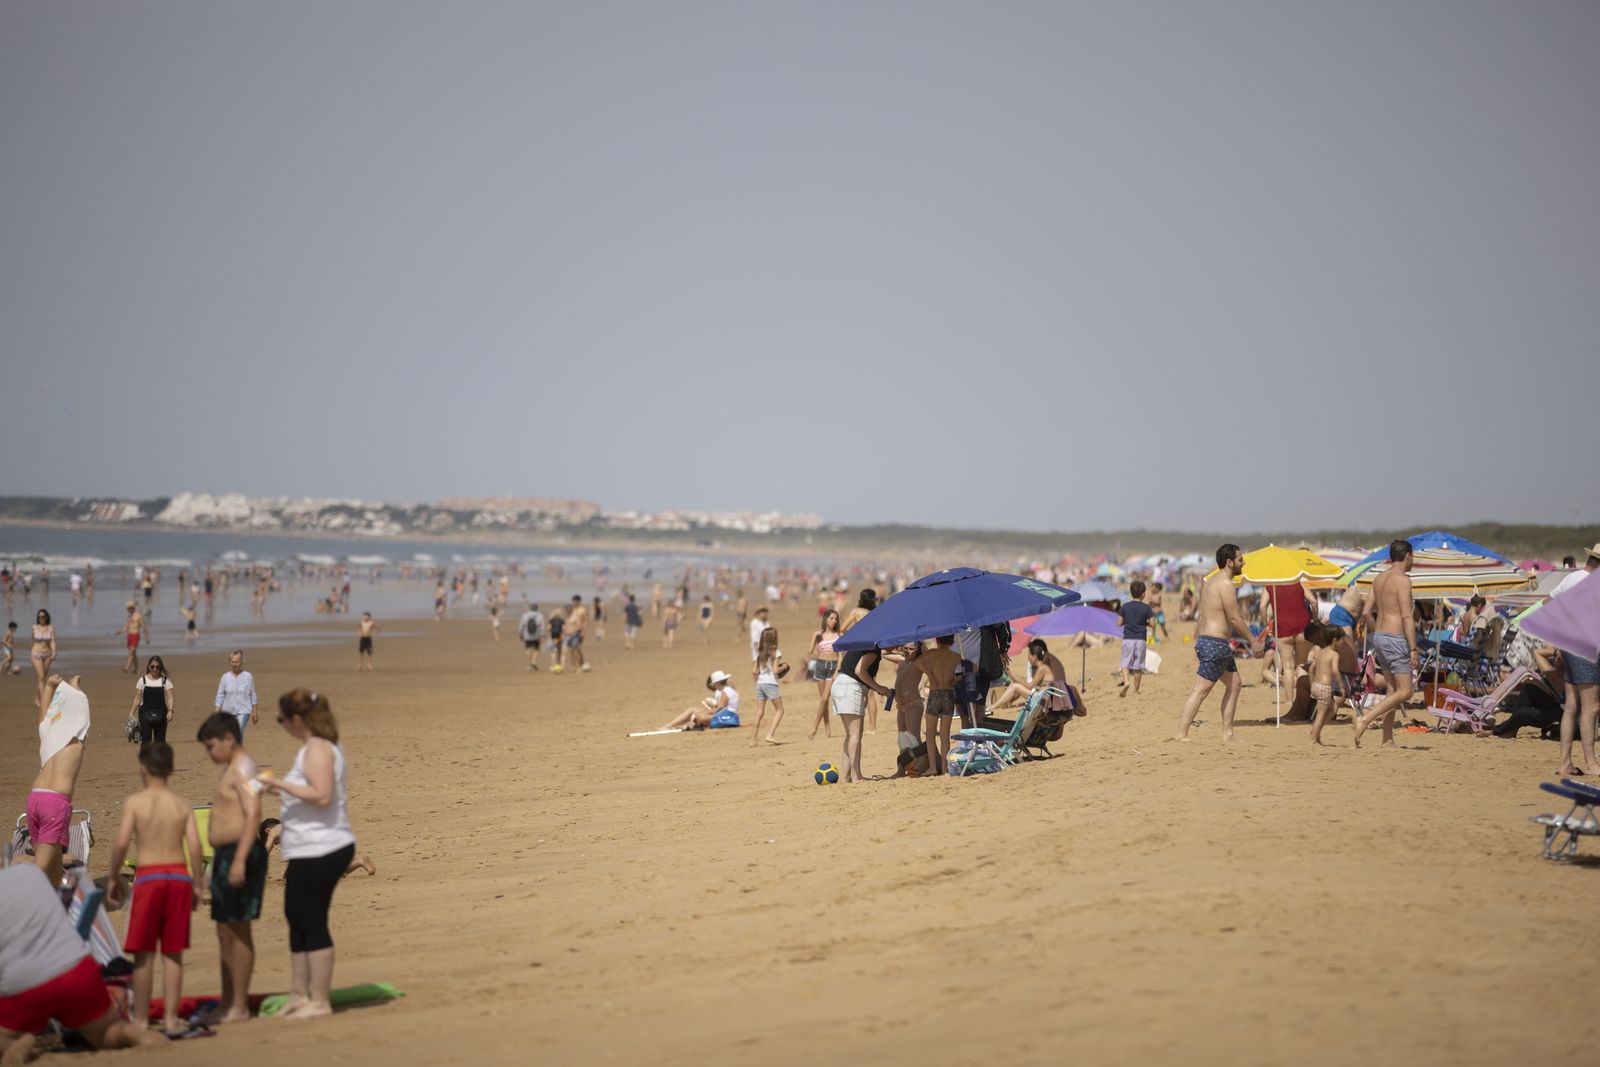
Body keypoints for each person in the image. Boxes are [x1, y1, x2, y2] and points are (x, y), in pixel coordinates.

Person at [257, 689, 358, 1020]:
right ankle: (299, 995)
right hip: (308, 846)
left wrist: (279, 785)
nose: (281, 724)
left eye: (281, 719)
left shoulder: (318, 748)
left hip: (324, 846)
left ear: (297, 719)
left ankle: (320, 1000)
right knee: (296, 917)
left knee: (312, 920)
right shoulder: (313, 747)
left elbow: (322, 794)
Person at [0, 864, 167, 1061]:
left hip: (24, 984)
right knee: (108, 1031)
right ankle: (136, 1035)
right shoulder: (31, 872)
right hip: (75, 968)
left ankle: (16, 1044)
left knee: (5, 1036)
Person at [104, 741, 205, 1035]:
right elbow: (195, 847)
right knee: (173, 953)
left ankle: (141, 1020)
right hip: (179, 876)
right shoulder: (181, 805)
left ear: (142, 769)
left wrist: (113, 876)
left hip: (149, 877)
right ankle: (171, 1019)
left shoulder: (136, 802)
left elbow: (121, 843)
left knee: (144, 953)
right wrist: (197, 884)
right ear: (171, 769)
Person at [196, 713, 266, 1026]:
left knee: (238, 929)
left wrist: (239, 859)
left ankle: (238, 1005)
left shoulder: (244, 768)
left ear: (229, 738)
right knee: (224, 930)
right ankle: (226, 1003)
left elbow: (253, 815)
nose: (209, 753)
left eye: (211, 746)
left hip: (241, 852)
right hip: (226, 854)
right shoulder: (232, 768)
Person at [1172, 545, 1263, 742]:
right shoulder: (1225, 584)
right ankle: (1181, 733)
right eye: (1240, 559)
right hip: (1215, 643)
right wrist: (1254, 641)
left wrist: (1199, 641)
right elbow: (1234, 618)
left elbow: (1202, 615)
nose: (1243, 562)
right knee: (1201, 690)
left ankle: (1228, 734)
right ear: (1229, 562)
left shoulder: (1210, 581)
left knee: (1235, 684)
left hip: (1210, 641)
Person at [1353, 540, 1418, 748]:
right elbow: (1407, 616)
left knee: (1392, 689)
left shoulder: (1379, 578)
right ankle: (1365, 719)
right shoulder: (1403, 581)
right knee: (1405, 691)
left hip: (1379, 636)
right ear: (1407, 556)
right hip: (1395, 637)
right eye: (1413, 557)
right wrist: (1413, 648)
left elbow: (1366, 612)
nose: (1413, 561)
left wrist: (1378, 633)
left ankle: (1387, 739)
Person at [30, 674, 90, 888]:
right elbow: (82, 710)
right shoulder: (76, 742)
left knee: (52, 864)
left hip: (35, 798)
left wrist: (49, 687)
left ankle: (54, 898)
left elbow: (44, 717)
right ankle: (21, 896)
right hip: (54, 803)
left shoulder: (47, 736)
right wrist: (75, 688)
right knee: (40, 868)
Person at [1550, 545, 1600, 776]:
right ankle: (1591, 763)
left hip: (1568, 646)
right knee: (1592, 707)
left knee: (1571, 707)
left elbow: (1548, 604)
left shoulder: (1572, 578)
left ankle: (1565, 763)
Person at [832, 637, 893, 784]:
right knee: (854, 735)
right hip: (850, 686)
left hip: (840, 684)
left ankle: (846, 776)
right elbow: (860, 671)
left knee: (851, 735)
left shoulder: (863, 642)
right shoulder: (873, 649)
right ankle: (856, 776)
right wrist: (880, 689)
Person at [912, 635, 962, 776]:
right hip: (948, 694)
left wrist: (930, 675)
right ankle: (945, 768)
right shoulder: (956, 656)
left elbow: (917, 662)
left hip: (935, 693)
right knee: (945, 734)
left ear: (937, 641)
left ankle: (933, 767)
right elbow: (970, 669)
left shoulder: (933, 653)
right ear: (952, 642)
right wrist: (955, 681)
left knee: (930, 733)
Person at [657, 670, 739, 730]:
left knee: (699, 716)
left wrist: (703, 713)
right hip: (728, 717)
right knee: (693, 710)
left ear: (717, 683)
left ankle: (670, 726)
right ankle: (670, 726)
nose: (713, 686)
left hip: (727, 718)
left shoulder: (724, 692)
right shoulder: (727, 690)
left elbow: (719, 710)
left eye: (714, 684)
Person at [805, 609, 842, 740]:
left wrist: (837, 670)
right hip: (820, 665)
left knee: (825, 698)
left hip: (833, 666)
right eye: (831, 618)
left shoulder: (839, 635)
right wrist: (814, 636)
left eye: (836, 619)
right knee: (823, 700)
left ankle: (814, 728)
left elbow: (841, 655)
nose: (834, 621)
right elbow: (810, 651)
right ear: (825, 619)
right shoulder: (818, 634)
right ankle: (827, 727)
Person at [748, 629, 788, 746]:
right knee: (780, 710)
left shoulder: (760, 653)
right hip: (770, 683)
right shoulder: (776, 652)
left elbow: (754, 671)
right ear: (773, 639)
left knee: (759, 712)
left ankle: (753, 740)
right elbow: (775, 670)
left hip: (760, 683)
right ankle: (770, 735)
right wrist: (784, 667)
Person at [1306, 624, 1343, 746]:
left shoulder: (1320, 652)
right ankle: (1313, 738)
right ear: (1335, 640)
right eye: (1342, 639)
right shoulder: (1334, 654)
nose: (1343, 642)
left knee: (1333, 709)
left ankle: (1316, 733)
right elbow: (1335, 671)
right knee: (1321, 714)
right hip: (1324, 687)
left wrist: (1312, 685)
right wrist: (1342, 686)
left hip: (1316, 685)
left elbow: (1311, 670)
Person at [1117, 581, 1156, 696]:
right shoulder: (1147, 608)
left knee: (1124, 663)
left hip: (1128, 638)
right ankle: (1136, 690)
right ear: (1143, 594)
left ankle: (1126, 682)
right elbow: (1153, 624)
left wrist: (1127, 621)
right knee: (1138, 666)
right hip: (1140, 639)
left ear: (1131, 593)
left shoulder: (1125, 606)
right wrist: (1145, 623)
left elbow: (1119, 623)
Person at [214, 650, 259, 740]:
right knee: (231, 734)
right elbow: (220, 696)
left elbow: (253, 695)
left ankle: (237, 748)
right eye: (232, 662)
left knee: (238, 730)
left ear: (241, 662)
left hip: (244, 710)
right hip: (228, 711)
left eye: (237, 662)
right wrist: (216, 711)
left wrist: (255, 712)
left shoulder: (248, 676)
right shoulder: (225, 677)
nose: (234, 664)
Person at [131, 655, 175, 745]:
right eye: (152, 666)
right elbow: (137, 698)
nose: (155, 669)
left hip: (161, 714)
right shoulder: (142, 680)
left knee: (160, 743)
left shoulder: (165, 681)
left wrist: (170, 711)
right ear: (149, 667)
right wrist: (131, 713)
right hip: (144, 714)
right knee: (146, 741)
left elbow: (170, 697)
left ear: (160, 667)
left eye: (157, 667)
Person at [28, 609, 55, 708]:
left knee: (42, 678)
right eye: (39, 617)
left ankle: (36, 698)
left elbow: (52, 641)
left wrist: (54, 652)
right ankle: (44, 700)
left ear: (46, 617)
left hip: (47, 654)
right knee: (42, 676)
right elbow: (32, 641)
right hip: (36, 654)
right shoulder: (34, 628)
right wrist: (31, 655)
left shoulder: (51, 628)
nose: (41, 619)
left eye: (43, 617)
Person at [115, 601, 144, 675]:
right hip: (129, 636)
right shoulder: (129, 617)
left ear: (133, 608)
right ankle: (136, 669)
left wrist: (146, 637)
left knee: (131, 652)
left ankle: (127, 667)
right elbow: (126, 627)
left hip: (135, 635)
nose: (128, 609)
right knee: (133, 653)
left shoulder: (138, 616)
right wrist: (120, 631)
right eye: (128, 608)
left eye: (130, 608)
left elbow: (144, 625)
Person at [564, 596, 589, 672]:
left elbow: (585, 621)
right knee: (574, 649)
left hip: (579, 631)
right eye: (573, 601)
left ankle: (581, 664)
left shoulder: (582, 610)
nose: (574, 602)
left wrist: (584, 631)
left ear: (579, 601)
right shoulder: (572, 609)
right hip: (571, 632)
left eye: (576, 601)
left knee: (578, 649)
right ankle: (578, 664)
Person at [518, 603, 544, 670]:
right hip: (537, 635)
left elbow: (521, 626)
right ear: (537, 608)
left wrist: (520, 634)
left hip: (527, 635)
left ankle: (532, 662)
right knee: (536, 649)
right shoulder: (540, 616)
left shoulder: (525, 615)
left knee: (528, 649)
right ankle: (534, 662)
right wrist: (542, 635)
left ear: (530, 608)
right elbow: (542, 626)